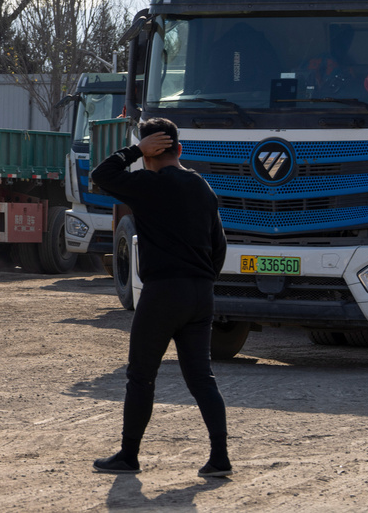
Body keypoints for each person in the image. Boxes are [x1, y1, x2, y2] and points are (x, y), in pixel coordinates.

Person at [89, 117, 231, 478]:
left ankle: (129, 456)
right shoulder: (203, 188)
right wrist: (202, 281)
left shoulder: (146, 184)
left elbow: (102, 175)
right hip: (201, 294)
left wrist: (135, 150)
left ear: (149, 154)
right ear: (180, 149)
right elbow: (220, 246)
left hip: (163, 293)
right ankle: (219, 458)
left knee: (141, 376)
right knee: (202, 378)